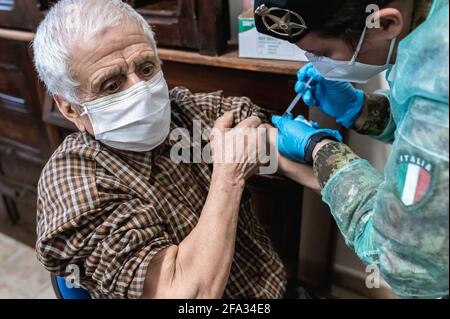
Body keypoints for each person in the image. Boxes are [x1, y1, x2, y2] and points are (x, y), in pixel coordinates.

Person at [33, 0, 302, 299]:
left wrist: (331, 163)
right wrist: (228, 177)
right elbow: (184, 296)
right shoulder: (76, 186)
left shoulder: (182, 111)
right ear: (69, 106)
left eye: (146, 68)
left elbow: (270, 142)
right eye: (111, 85)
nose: (141, 90)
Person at [254, 0, 449, 298]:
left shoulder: (438, 86)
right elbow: (422, 134)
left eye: (323, 54)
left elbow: (401, 257)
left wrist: (320, 149)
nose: (317, 64)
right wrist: (361, 109)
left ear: (384, 24)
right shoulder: (433, 28)